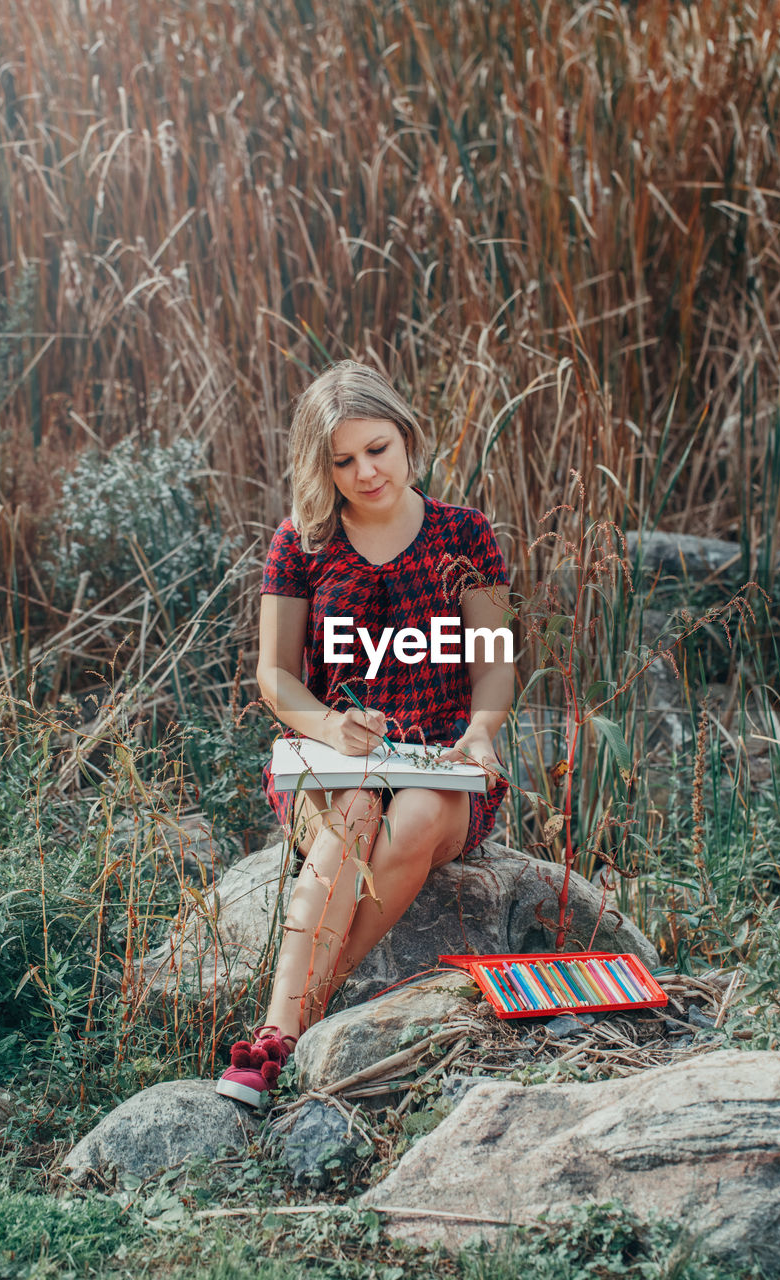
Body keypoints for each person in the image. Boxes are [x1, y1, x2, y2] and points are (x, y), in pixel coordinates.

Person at [216, 360, 514, 1108]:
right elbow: (275, 678)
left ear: (406, 436)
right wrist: (326, 723)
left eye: (377, 448)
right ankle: (283, 1033)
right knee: (352, 814)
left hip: (442, 757)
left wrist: (481, 733)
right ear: (323, 466)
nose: (365, 472)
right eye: (342, 460)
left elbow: (493, 667)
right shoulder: (302, 543)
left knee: (410, 811)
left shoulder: (464, 534)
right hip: (333, 755)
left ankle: (281, 1031)